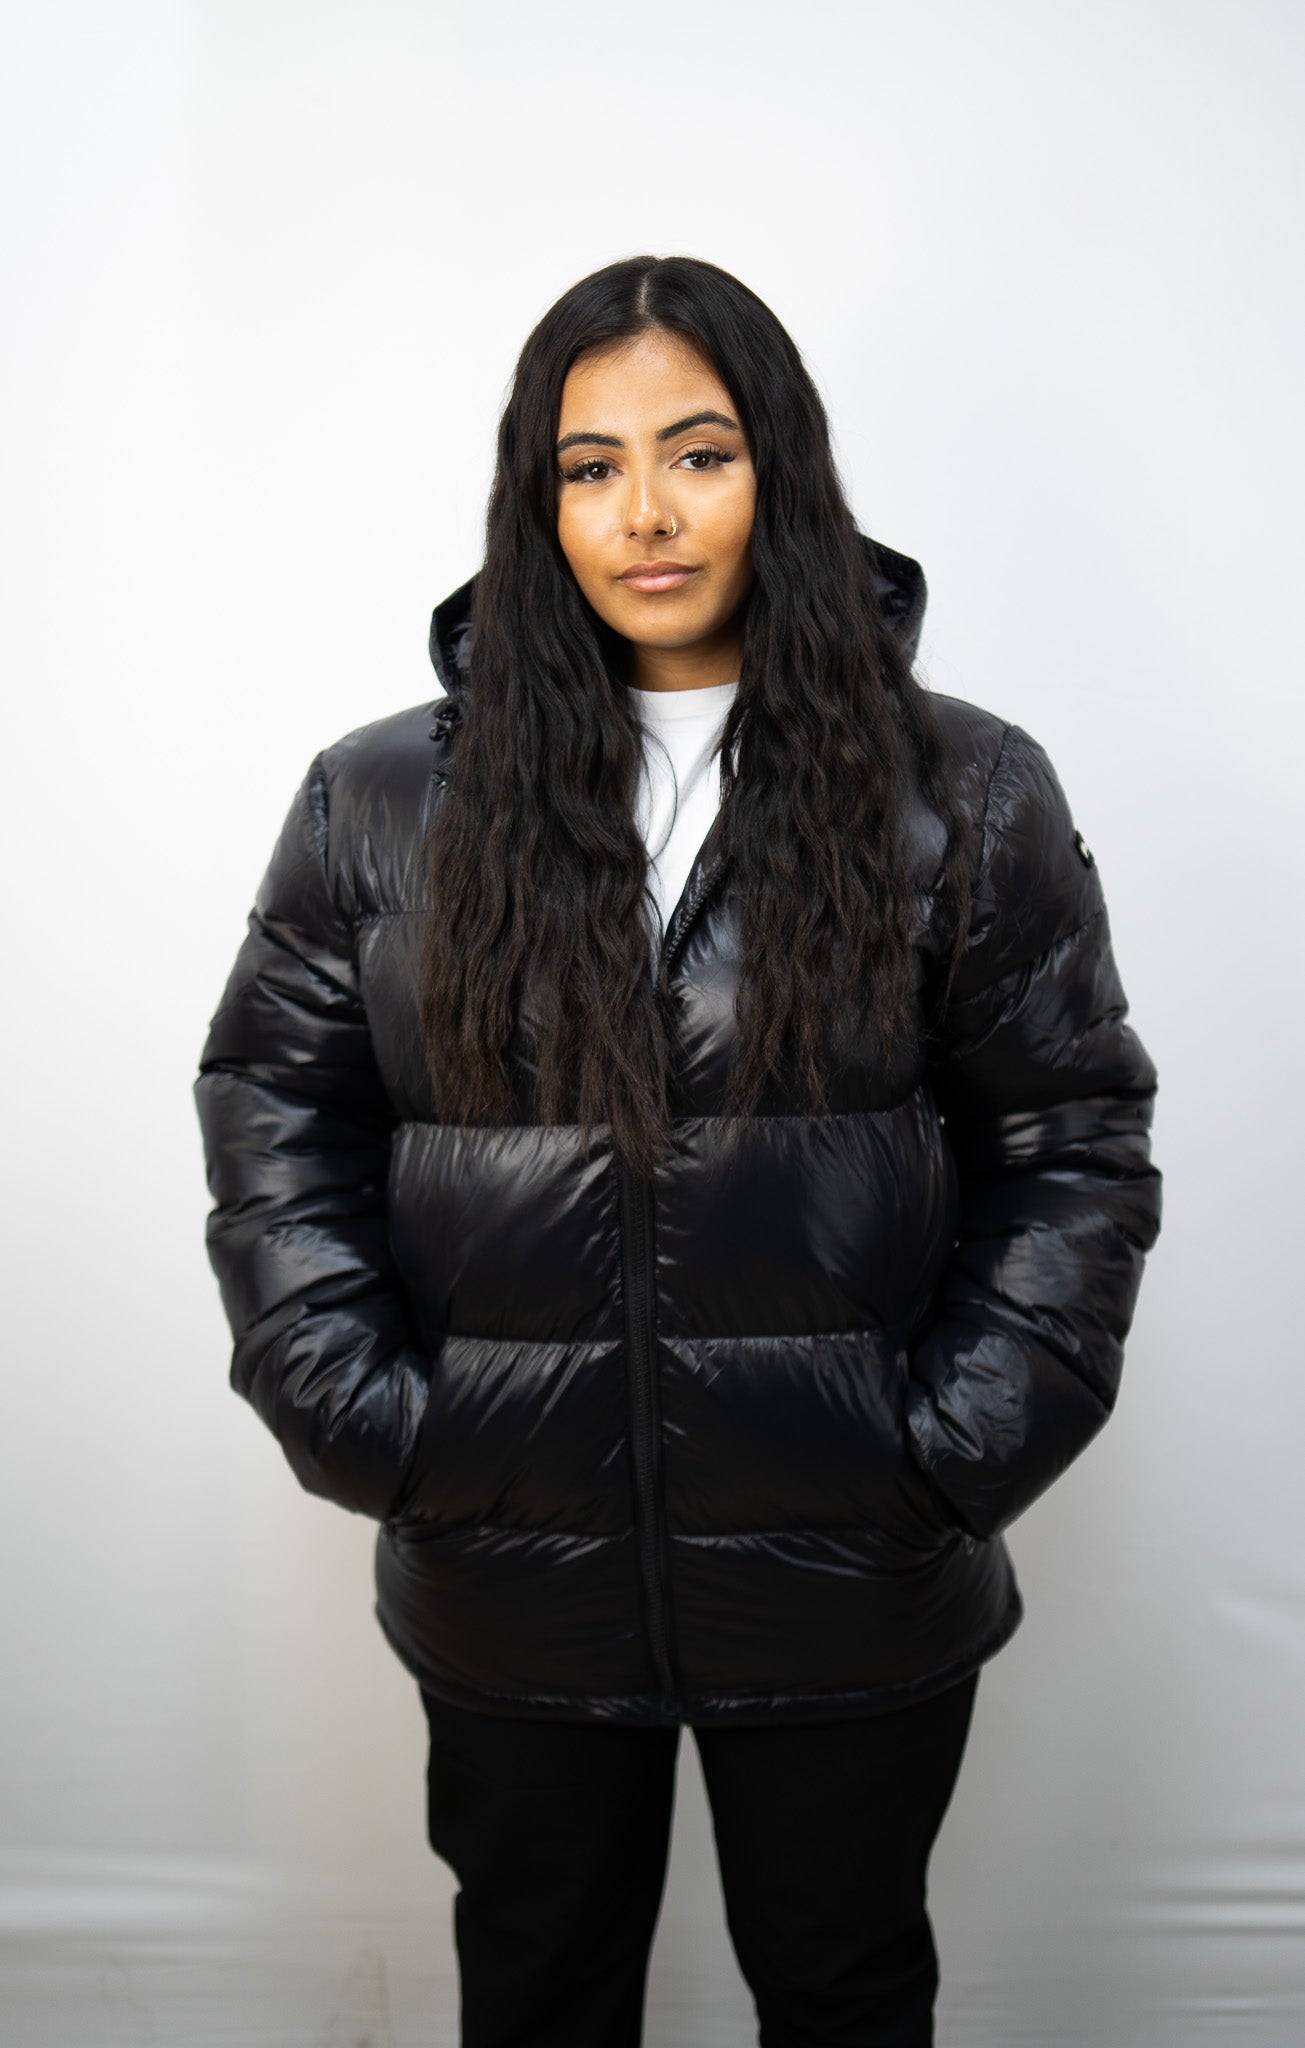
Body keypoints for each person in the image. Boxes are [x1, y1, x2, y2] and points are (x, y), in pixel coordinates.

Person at [195, 254, 1162, 2048]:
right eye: (591, 466)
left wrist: (948, 1446)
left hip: (849, 1564)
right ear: (537, 497)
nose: (643, 511)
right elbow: (276, 1114)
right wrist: (378, 1421)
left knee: (845, 1987)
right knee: (539, 1995)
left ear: (777, 470)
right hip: (513, 1561)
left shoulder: (959, 791)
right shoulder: (381, 800)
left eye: (697, 453)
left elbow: (1069, 1133)